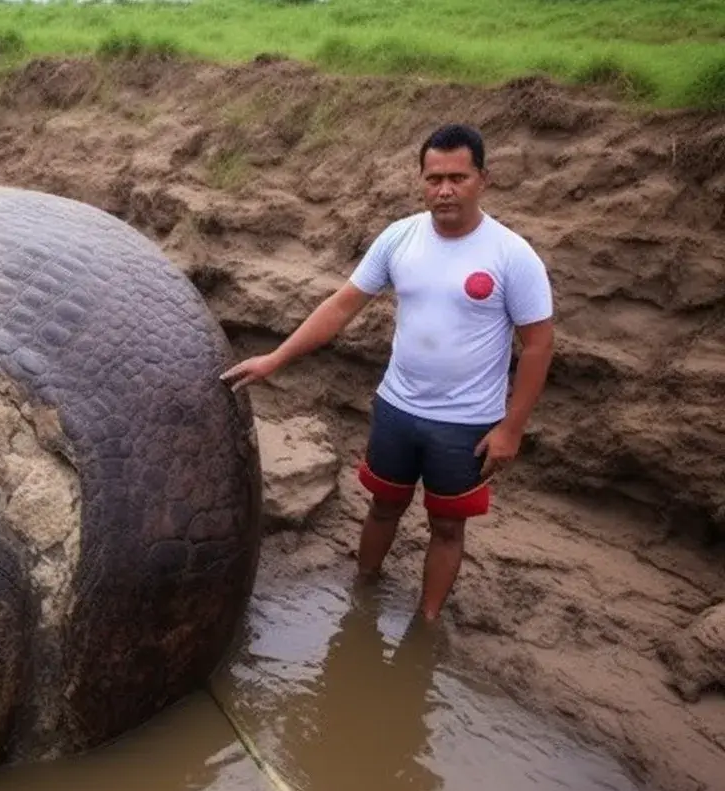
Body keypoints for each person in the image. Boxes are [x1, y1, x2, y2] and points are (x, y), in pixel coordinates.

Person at [221, 124, 555, 621]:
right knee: (382, 506)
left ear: (483, 178)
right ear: (421, 180)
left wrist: (511, 428)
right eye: (434, 178)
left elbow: (538, 345)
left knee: (447, 527)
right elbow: (341, 307)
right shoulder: (400, 237)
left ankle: (426, 622)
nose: (444, 190)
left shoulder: (512, 255)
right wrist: (276, 358)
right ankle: (362, 598)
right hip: (397, 408)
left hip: (465, 425)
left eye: (457, 178)